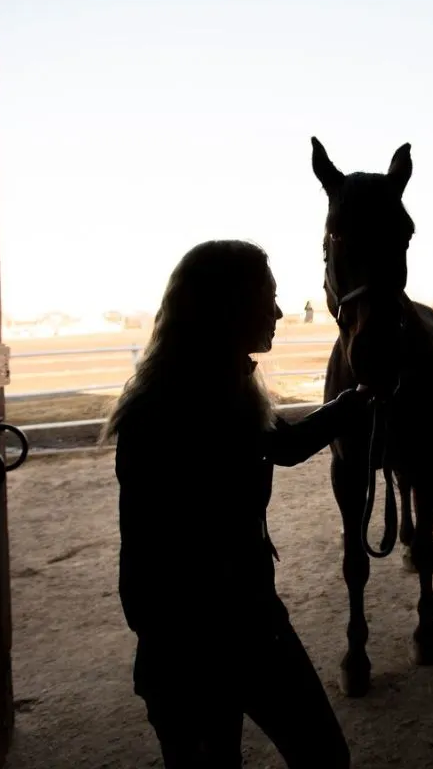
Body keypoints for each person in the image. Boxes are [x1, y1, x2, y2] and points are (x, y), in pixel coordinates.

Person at [101, 239, 371, 768]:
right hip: (199, 642)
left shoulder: (218, 385)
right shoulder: (173, 411)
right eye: (265, 299)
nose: (277, 313)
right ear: (225, 307)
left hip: (240, 623)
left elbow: (283, 444)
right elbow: (152, 561)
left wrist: (352, 401)